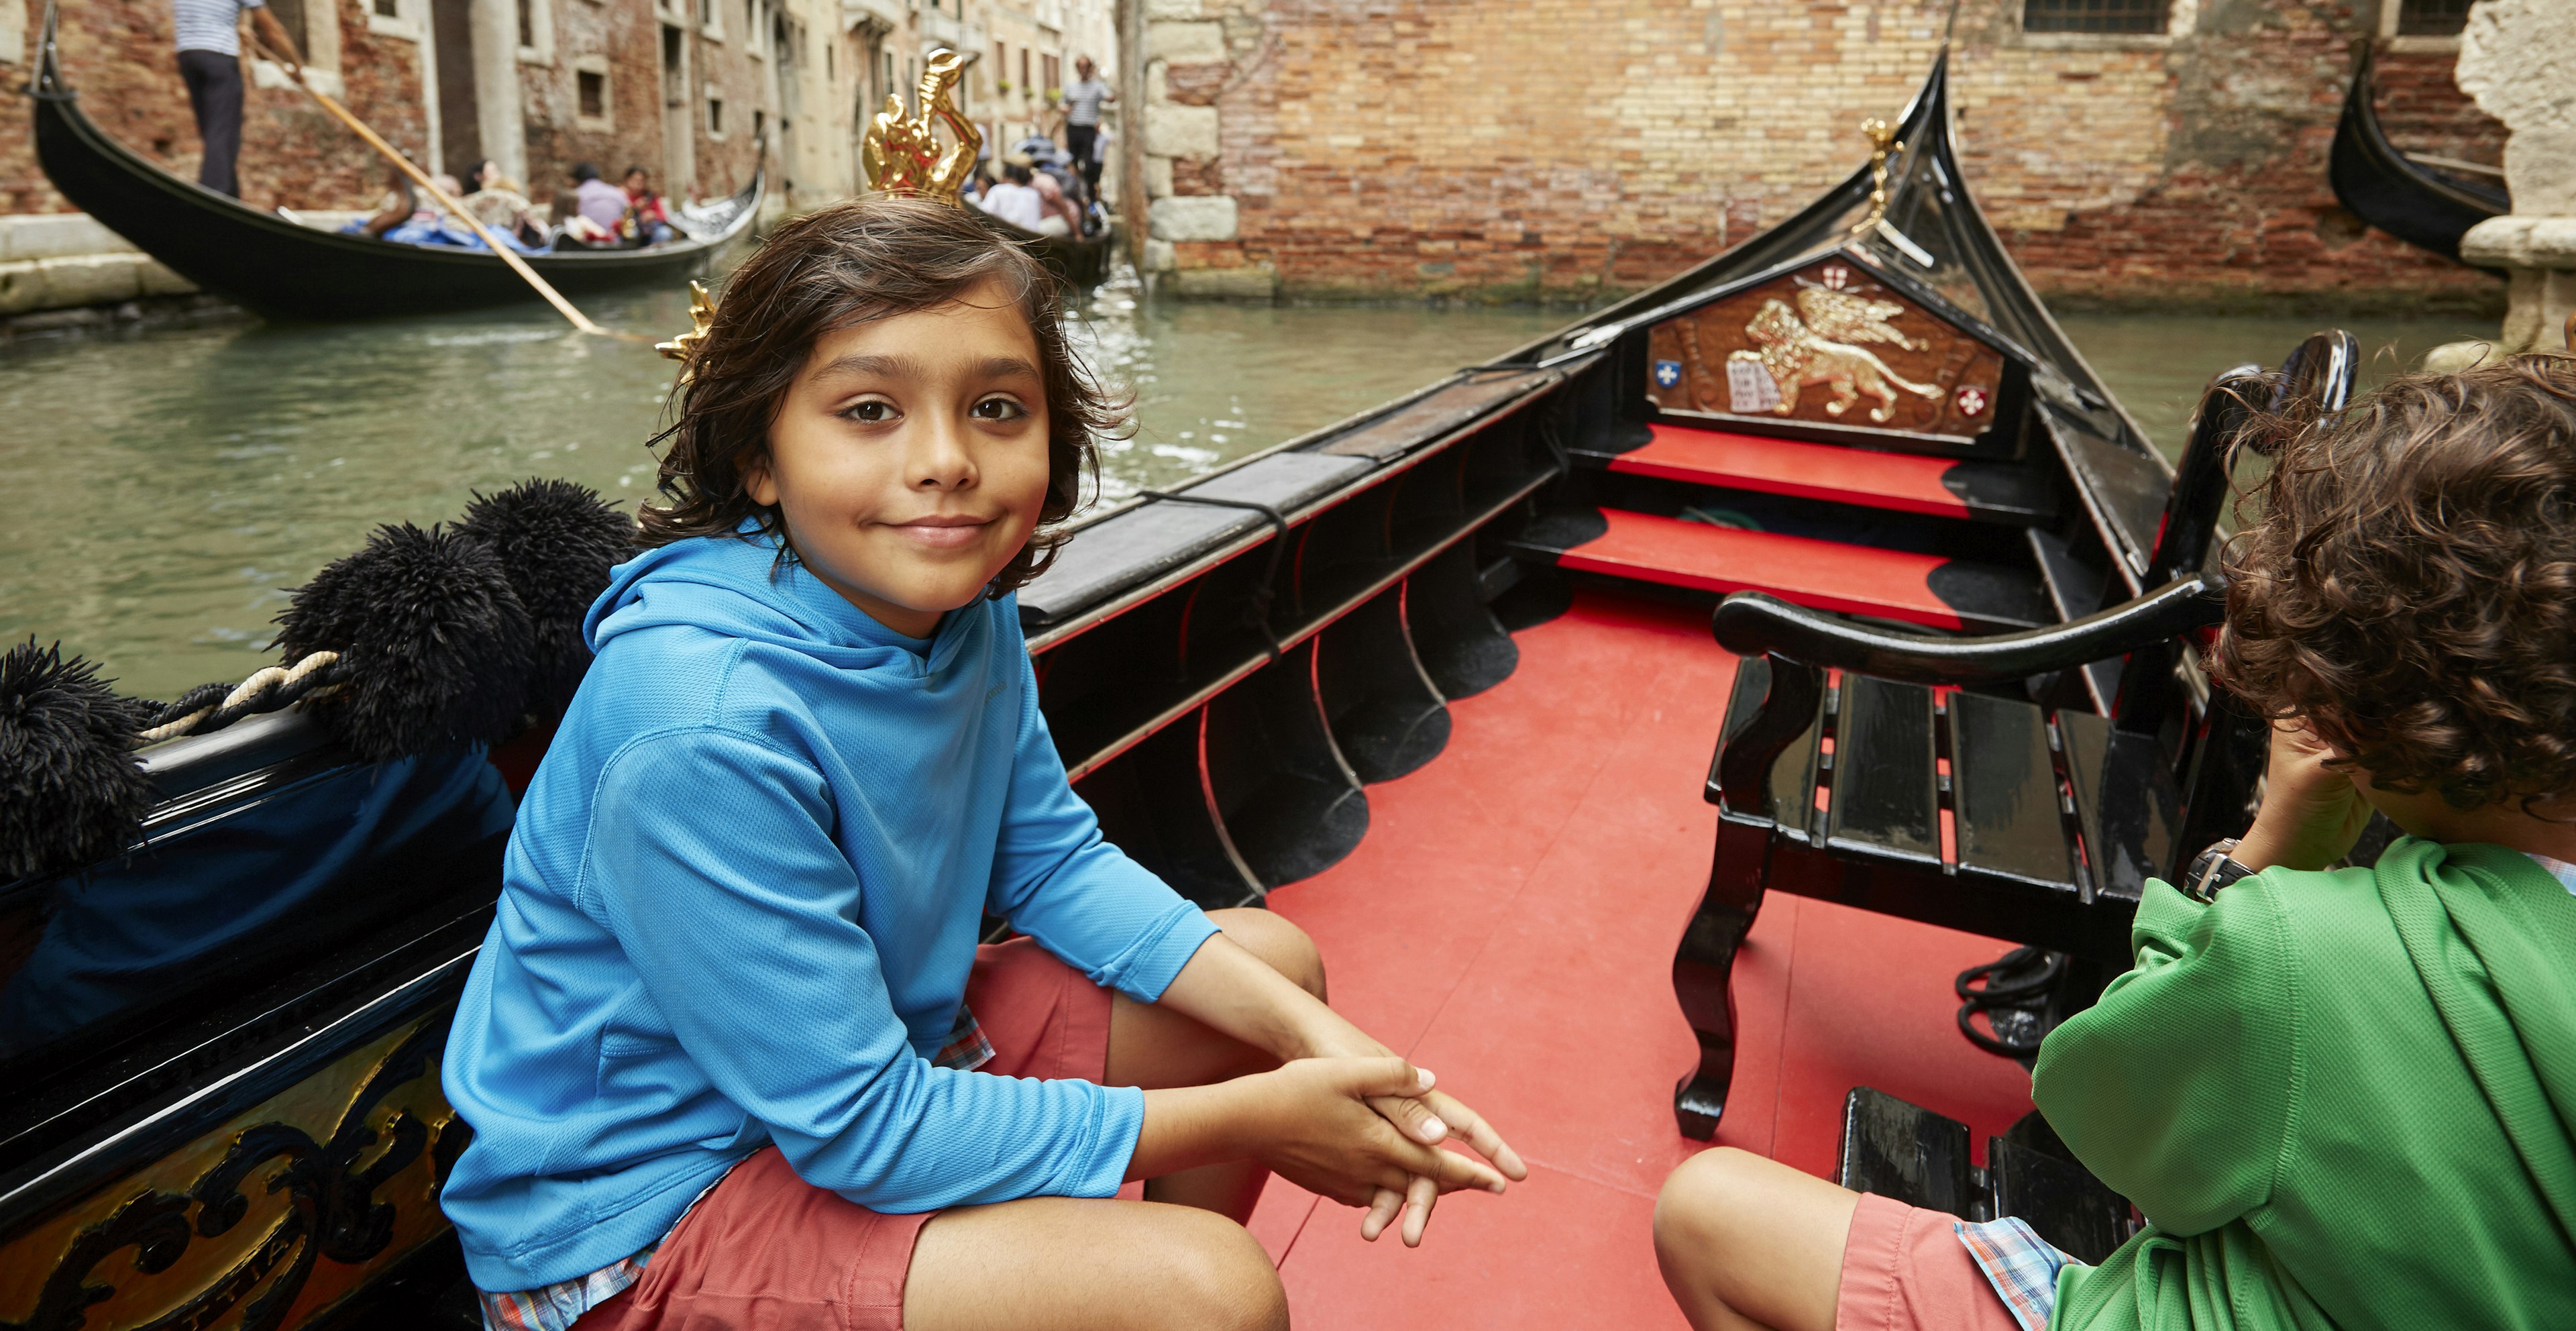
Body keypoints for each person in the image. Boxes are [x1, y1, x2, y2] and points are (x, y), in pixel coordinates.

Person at [439, 198, 1525, 1331]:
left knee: (1275, 973)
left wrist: (1325, 1052)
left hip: (867, 1063)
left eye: (996, 408)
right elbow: (867, 1129)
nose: (947, 463)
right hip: (643, 1217)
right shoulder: (698, 731)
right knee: (1214, 1291)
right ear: (762, 455)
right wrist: (1262, 1115)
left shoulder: (955, 604)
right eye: (870, 411)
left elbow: (1051, 863)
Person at [1650, 357, 2576, 1331]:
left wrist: (2266, 852)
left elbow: (2098, 1116)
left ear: (2351, 707)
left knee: (1705, 1211)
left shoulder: (2310, 952)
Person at [172, 0, 303, 202]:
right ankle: (213, 198)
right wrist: (296, 65)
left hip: (188, 56)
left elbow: (204, 11)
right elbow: (272, 30)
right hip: (220, 58)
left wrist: (236, 28)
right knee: (223, 131)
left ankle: (231, 197)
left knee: (212, 129)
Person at [1060, 56, 1112, 201]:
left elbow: (1110, 97)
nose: (1083, 71)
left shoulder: (1098, 86)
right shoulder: (1070, 86)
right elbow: (1062, 104)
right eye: (1080, 67)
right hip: (1073, 128)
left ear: (1090, 69)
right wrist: (1064, 109)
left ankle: (1091, 193)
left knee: (1089, 164)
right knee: (1072, 161)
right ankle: (1074, 193)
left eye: (1086, 67)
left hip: (1089, 129)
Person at [557, 162, 630, 249]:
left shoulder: (576, 195)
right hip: (616, 246)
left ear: (577, 180)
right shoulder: (618, 193)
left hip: (585, 248)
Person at [979, 157, 1047, 234]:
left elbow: (983, 216)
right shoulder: (1034, 194)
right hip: (1031, 241)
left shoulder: (998, 190)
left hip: (1007, 239)